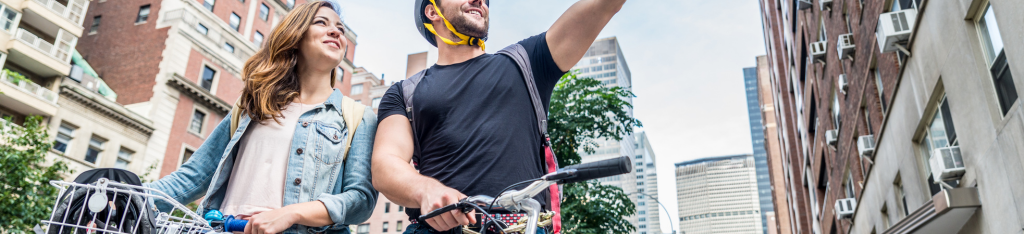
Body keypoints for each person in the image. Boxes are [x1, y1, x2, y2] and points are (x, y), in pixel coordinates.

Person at [371, 0, 626, 233]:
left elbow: (605, 5)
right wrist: (425, 190)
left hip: (523, 226)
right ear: (431, 11)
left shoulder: (528, 61)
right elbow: (385, 165)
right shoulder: (404, 93)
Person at [145, 2, 377, 234]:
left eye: (340, 29)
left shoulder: (357, 117)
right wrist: (129, 197)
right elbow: (194, 176)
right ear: (295, 36)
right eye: (321, 23)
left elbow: (361, 199)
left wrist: (291, 213)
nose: (336, 32)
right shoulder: (254, 105)